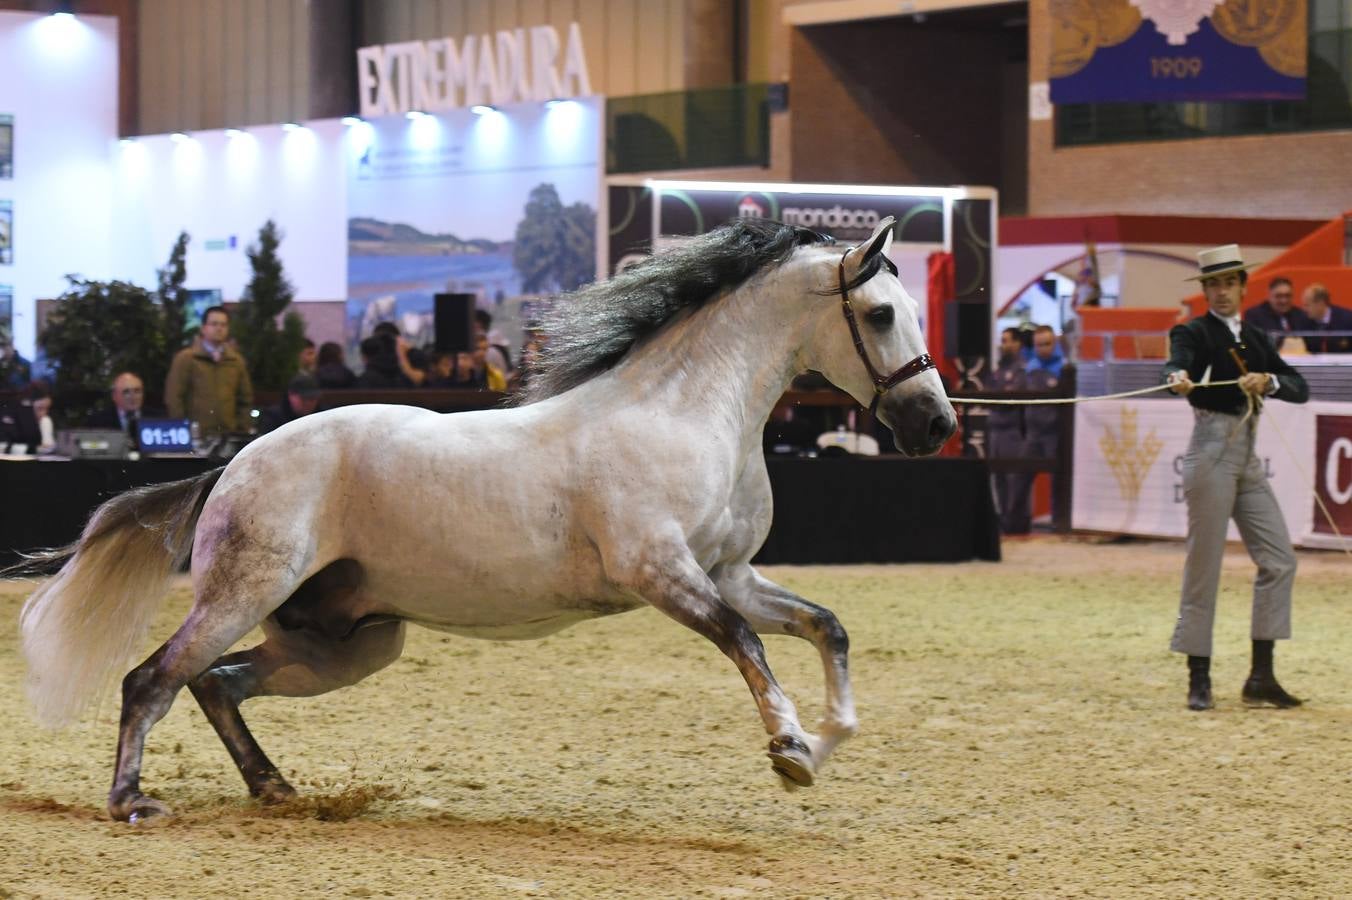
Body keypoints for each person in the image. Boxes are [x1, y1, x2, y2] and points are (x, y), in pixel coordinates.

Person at [1162, 244, 1309, 712]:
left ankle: (1261, 676)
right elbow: (1176, 361)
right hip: (1210, 451)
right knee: (1204, 564)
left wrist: (1271, 381)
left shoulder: (1259, 338)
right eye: (1213, 284)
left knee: (1280, 559)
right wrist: (1177, 375)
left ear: (1243, 287)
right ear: (1205, 290)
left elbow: (1299, 388)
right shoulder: (1193, 331)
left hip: (1246, 456)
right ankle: (1198, 674)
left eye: (1228, 283)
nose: (1221, 291)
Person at [164, 305, 253, 437]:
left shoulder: (236, 361)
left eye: (223, 324)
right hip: (195, 436)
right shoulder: (186, 358)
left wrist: (241, 429)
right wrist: (182, 430)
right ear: (203, 328)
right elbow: (174, 398)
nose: (219, 328)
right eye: (214, 324)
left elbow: (245, 399)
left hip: (228, 436)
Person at [1020, 325, 1072, 523]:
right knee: (1020, 477)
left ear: (1055, 343)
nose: (1043, 348)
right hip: (1032, 433)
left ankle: (1060, 521)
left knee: (1058, 481)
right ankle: (1016, 523)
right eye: (1038, 345)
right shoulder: (1029, 368)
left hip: (1055, 434)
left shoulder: (1064, 369)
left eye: (1047, 344)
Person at [989, 327, 1029, 534]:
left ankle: (1016, 524)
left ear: (1017, 343)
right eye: (1002, 340)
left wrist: (996, 398)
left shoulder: (1022, 368)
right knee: (998, 480)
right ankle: (1003, 522)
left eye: (1007, 340)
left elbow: (1009, 399)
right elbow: (989, 394)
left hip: (1013, 430)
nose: (1003, 345)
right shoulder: (999, 368)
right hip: (995, 430)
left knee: (1014, 479)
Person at [1242, 276, 1312, 348]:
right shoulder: (1254, 316)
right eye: (1279, 296)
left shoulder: (1301, 315)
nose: (1284, 301)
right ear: (1269, 295)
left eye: (1287, 296)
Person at [88, 372, 147, 448]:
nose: (133, 397)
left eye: (137, 391)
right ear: (114, 396)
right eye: (126, 392)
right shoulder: (97, 421)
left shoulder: (158, 418)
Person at [1301, 283, 1352, 354]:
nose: (1304, 309)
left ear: (1320, 303)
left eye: (1307, 305)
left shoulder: (1347, 319)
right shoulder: (1304, 321)